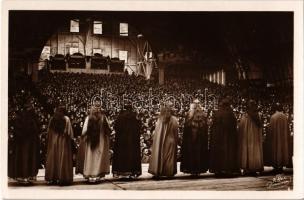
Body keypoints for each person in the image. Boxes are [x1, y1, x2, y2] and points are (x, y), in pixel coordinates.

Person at [9, 98, 40, 184]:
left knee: (23, 158)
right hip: (29, 142)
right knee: (29, 158)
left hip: (23, 142)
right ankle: (28, 176)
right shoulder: (31, 117)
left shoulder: (19, 117)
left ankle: (23, 176)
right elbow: (36, 129)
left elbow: (17, 130)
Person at [209, 98, 239, 177]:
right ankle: (228, 169)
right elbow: (233, 126)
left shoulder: (217, 113)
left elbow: (212, 126)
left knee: (219, 153)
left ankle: (218, 170)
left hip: (218, 138)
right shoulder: (230, 113)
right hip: (228, 138)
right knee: (228, 153)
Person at [148, 102, 179, 179]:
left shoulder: (160, 120)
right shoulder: (174, 120)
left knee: (160, 155)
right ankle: (169, 173)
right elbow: (176, 132)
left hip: (161, 141)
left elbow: (157, 133)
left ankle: (159, 171)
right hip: (171, 140)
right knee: (169, 158)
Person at [81, 106, 111, 183]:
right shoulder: (103, 118)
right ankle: (98, 174)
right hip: (101, 141)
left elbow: (84, 131)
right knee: (99, 158)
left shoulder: (88, 118)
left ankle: (90, 174)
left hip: (91, 141)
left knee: (90, 158)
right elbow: (108, 129)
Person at [45, 106, 74, 185]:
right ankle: (63, 178)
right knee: (62, 159)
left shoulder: (52, 119)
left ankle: (52, 178)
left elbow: (48, 132)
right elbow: (69, 133)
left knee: (53, 159)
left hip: (53, 143)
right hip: (63, 142)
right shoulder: (66, 119)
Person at [112, 103, 142, 179]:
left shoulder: (120, 117)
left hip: (121, 141)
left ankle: (119, 173)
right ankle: (133, 173)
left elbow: (116, 127)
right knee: (132, 155)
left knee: (120, 155)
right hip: (132, 141)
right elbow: (139, 128)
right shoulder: (135, 117)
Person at [180, 99, 208, 176]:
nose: (197, 105)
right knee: (193, 153)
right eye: (196, 103)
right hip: (192, 138)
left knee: (197, 153)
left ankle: (197, 170)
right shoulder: (190, 113)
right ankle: (193, 170)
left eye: (198, 103)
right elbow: (187, 125)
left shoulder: (200, 113)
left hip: (198, 138)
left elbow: (204, 125)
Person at [238, 100, 264, 176]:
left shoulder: (245, 116)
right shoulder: (257, 116)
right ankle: (253, 168)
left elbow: (241, 129)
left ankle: (247, 168)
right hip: (254, 139)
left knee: (247, 152)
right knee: (254, 151)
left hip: (247, 139)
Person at [266, 103, 291, 173]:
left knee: (276, 150)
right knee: (283, 150)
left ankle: (276, 167)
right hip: (283, 138)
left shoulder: (273, 117)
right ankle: (282, 166)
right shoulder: (284, 116)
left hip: (276, 138)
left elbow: (271, 129)